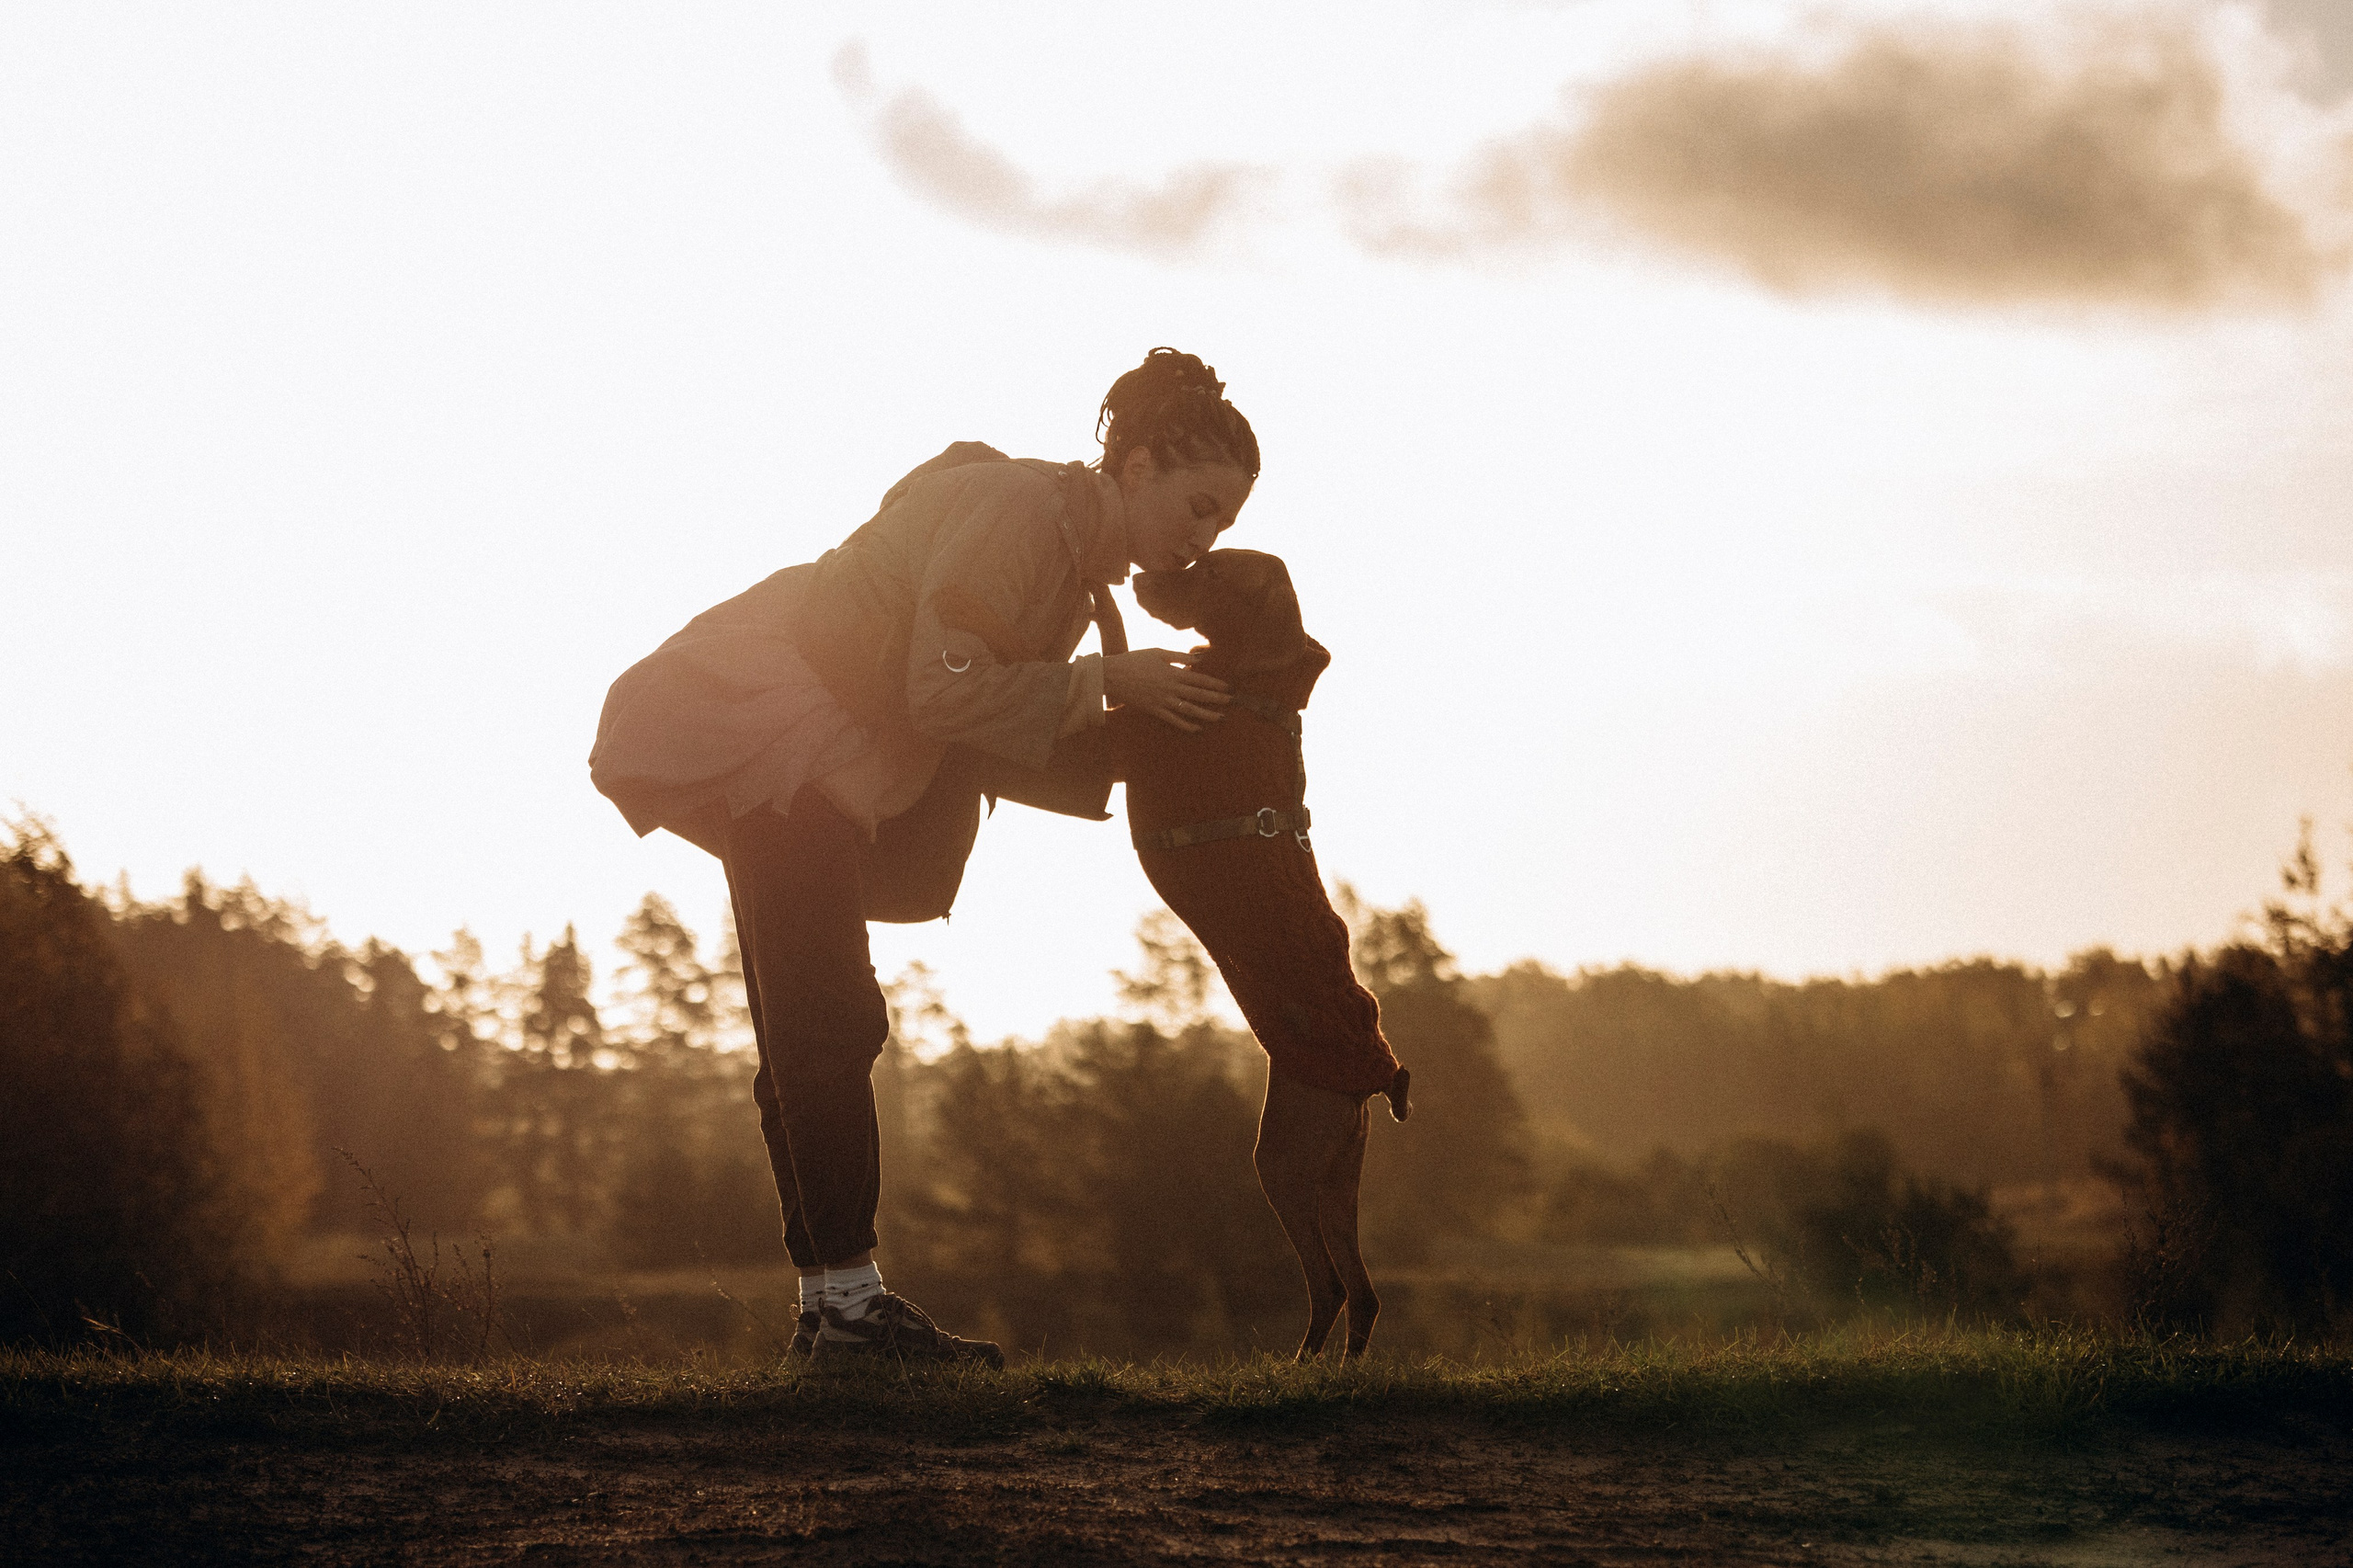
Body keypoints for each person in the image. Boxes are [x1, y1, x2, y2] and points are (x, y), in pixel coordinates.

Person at [589, 348, 1257, 1365]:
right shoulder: (1022, 515)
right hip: (778, 746)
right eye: (1199, 505)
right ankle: (849, 1310)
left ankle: (829, 1313)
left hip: (805, 762)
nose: (1201, 538)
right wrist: (1103, 682)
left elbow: (981, 705)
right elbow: (942, 691)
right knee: (825, 1021)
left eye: (1223, 522)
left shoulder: (1070, 556)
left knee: (807, 1030)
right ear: (1139, 465)